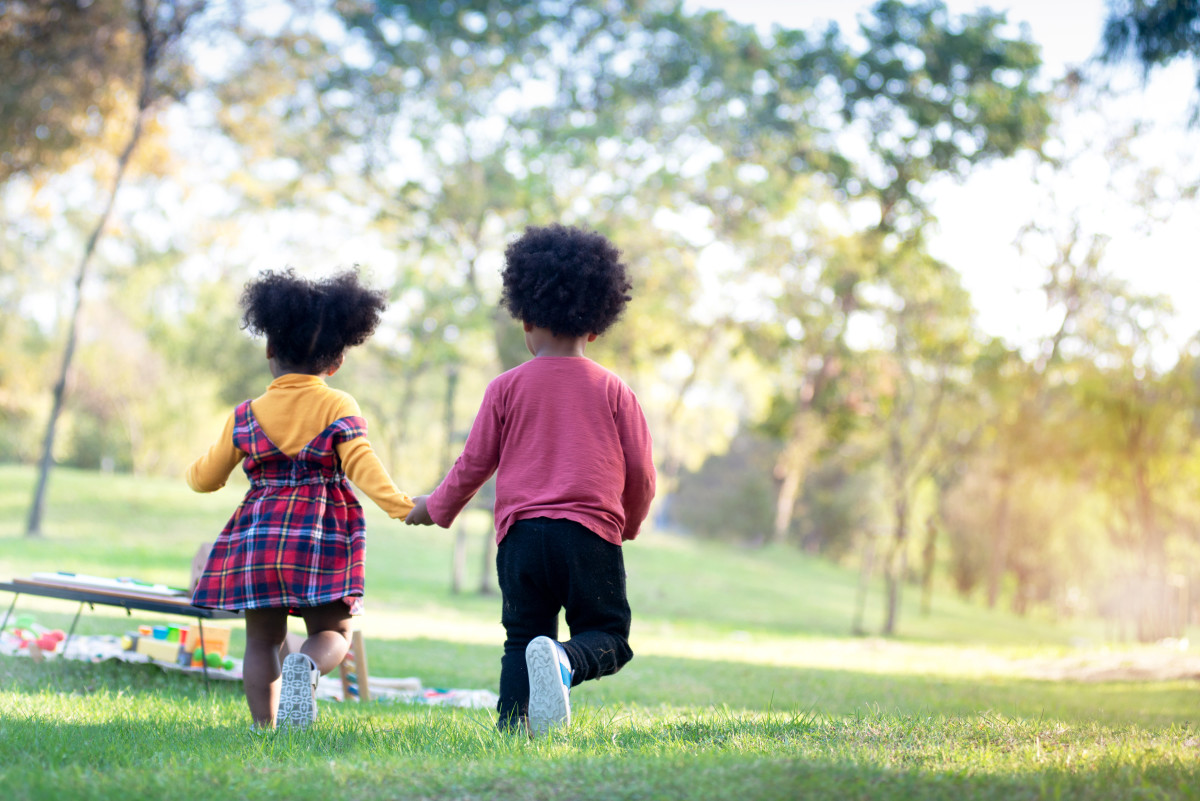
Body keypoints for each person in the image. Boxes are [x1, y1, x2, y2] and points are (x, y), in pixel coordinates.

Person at [405, 224, 656, 737]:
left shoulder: (505, 387)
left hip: (520, 538)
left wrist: (435, 507)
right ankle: (564, 663)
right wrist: (626, 524)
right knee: (608, 634)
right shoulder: (615, 391)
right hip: (587, 535)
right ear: (595, 324)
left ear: (526, 318)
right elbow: (642, 474)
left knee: (522, 638)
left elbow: (473, 464)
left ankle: (514, 728)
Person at [187, 268, 413, 731]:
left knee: (261, 640)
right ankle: (306, 668)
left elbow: (207, 478)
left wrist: (191, 471)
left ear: (270, 350)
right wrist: (402, 505)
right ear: (336, 363)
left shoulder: (246, 414)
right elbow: (362, 466)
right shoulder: (338, 405)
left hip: (260, 535)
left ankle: (263, 726)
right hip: (319, 536)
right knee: (333, 632)